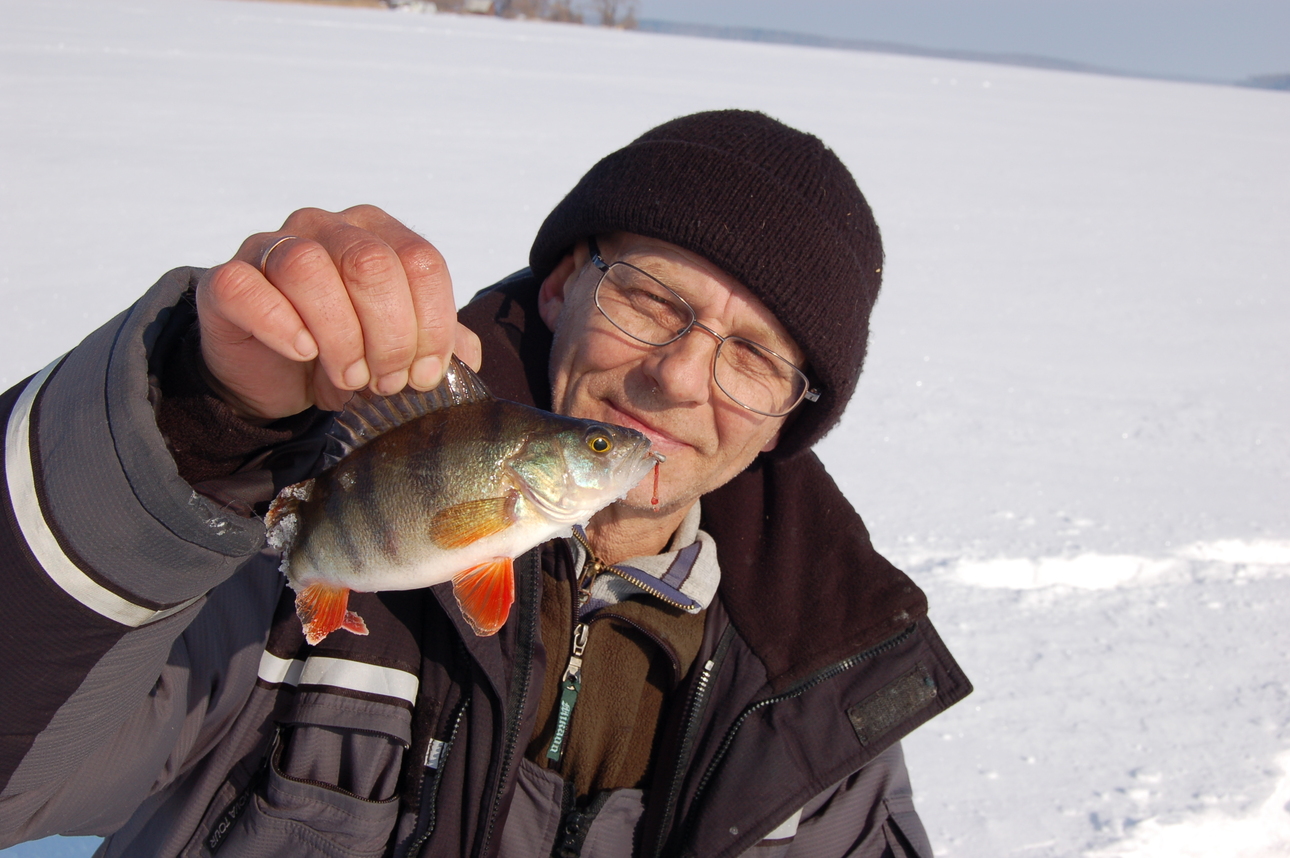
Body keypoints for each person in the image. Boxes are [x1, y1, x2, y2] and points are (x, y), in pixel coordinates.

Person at [0, 110, 971, 857]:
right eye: (648, 298)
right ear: (562, 289)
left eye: (753, 356)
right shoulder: (295, 485)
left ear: (787, 422)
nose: (675, 378)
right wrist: (193, 425)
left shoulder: (819, 687)